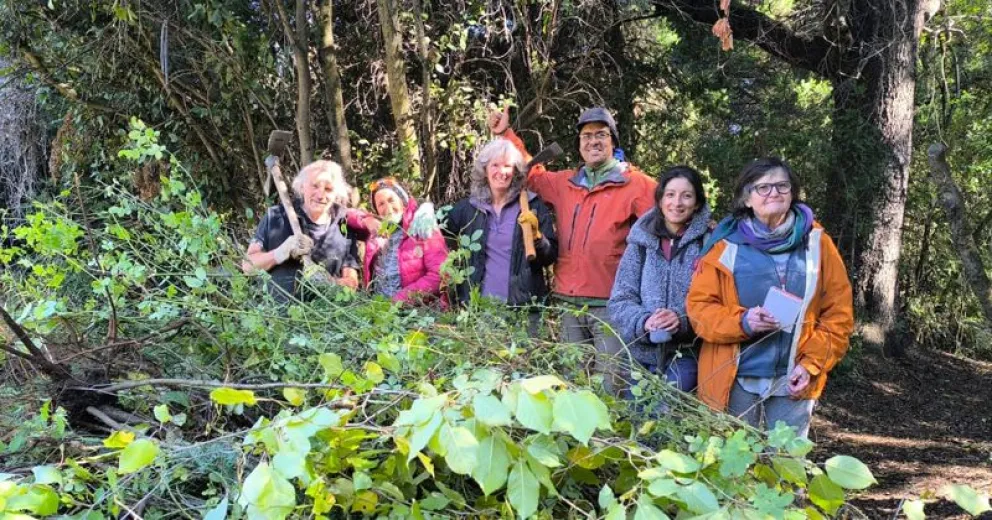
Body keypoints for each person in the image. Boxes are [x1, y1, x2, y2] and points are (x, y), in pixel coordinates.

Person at [491, 106, 656, 394]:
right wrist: (506, 134)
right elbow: (532, 172)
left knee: (610, 385)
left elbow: (671, 213)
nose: (594, 141)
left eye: (601, 135)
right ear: (579, 145)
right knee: (572, 384)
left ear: (613, 141)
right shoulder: (566, 183)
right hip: (568, 300)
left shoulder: (636, 184)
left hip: (610, 303)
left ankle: (609, 438)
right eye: (586, 136)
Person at [686, 157, 854, 437]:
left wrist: (811, 364)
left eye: (782, 186)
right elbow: (699, 309)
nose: (774, 193)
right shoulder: (725, 245)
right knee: (733, 465)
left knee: (787, 467)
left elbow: (839, 313)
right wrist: (743, 321)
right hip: (733, 377)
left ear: (792, 194)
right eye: (763, 187)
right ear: (747, 199)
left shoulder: (817, 242)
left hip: (794, 376)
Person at [608, 166, 711, 393]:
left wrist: (680, 318)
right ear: (660, 199)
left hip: (686, 356)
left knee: (672, 420)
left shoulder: (709, 244)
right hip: (639, 358)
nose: (677, 203)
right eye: (670, 194)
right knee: (637, 423)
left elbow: (715, 301)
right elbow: (619, 300)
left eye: (687, 195)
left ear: (697, 203)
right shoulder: (640, 243)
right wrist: (644, 321)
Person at [443, 138, 557, 329]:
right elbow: (440, 235)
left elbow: (550, 256)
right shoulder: (469, 209)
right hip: (479, 310)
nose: (502, 172)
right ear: (485, 170)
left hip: (524, 311)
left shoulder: (532, 205)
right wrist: (427, 213)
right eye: (495, 165)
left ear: (515, 171)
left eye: (507, 166)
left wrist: (538, 237)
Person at [242, 160, 360, 300]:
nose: (321, 195)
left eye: (328, 189)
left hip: (324, 316)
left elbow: (352, 283)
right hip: (276, 317)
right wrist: (280, 252)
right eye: (314, 186)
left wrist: (331, 283)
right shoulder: (276, 216)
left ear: (336, 194)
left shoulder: (343, 225)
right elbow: (248, 266)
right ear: (302, 187)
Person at [346, 177, 448, 305]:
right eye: (381, 204)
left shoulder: (422, 225)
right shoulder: (377, 230)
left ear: (403, 201)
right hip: (378, 309)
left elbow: (440, 275)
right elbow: (345, 215)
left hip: (417, 312)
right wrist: (366, 220)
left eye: (391, 200)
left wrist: (398, 300)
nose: (387, 208)